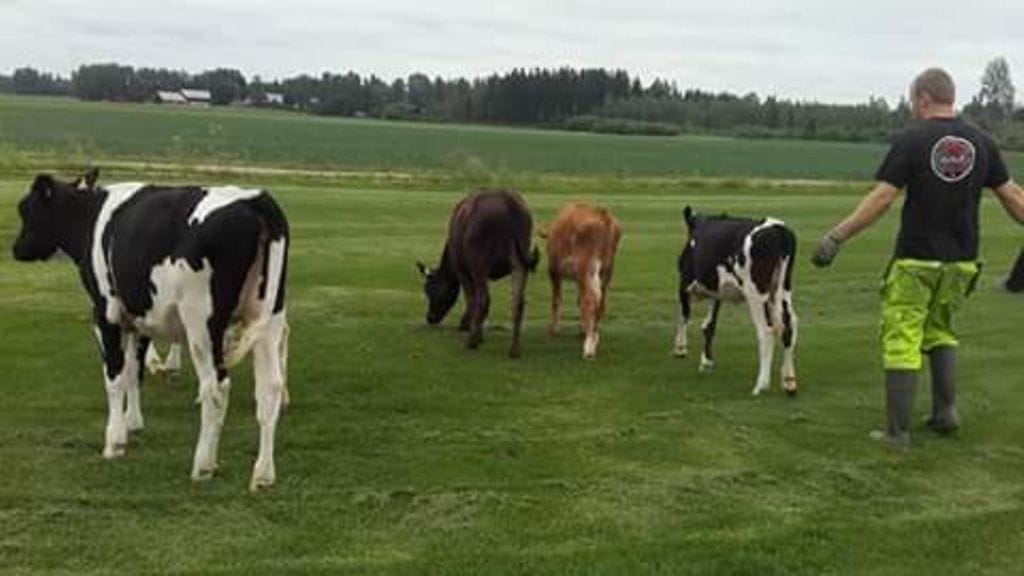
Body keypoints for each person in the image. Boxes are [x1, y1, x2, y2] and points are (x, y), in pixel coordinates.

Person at [811, 67, 1024, 448]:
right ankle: (945, 413)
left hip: (916, 258)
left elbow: (882, 198)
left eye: (912, 100)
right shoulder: (981, 140)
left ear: (924, 98)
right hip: (962, 262)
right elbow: (1012, 196)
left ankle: (897, 433)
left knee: (902, 338)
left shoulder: (912, 138)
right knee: (941, 330)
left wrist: (837, 235)